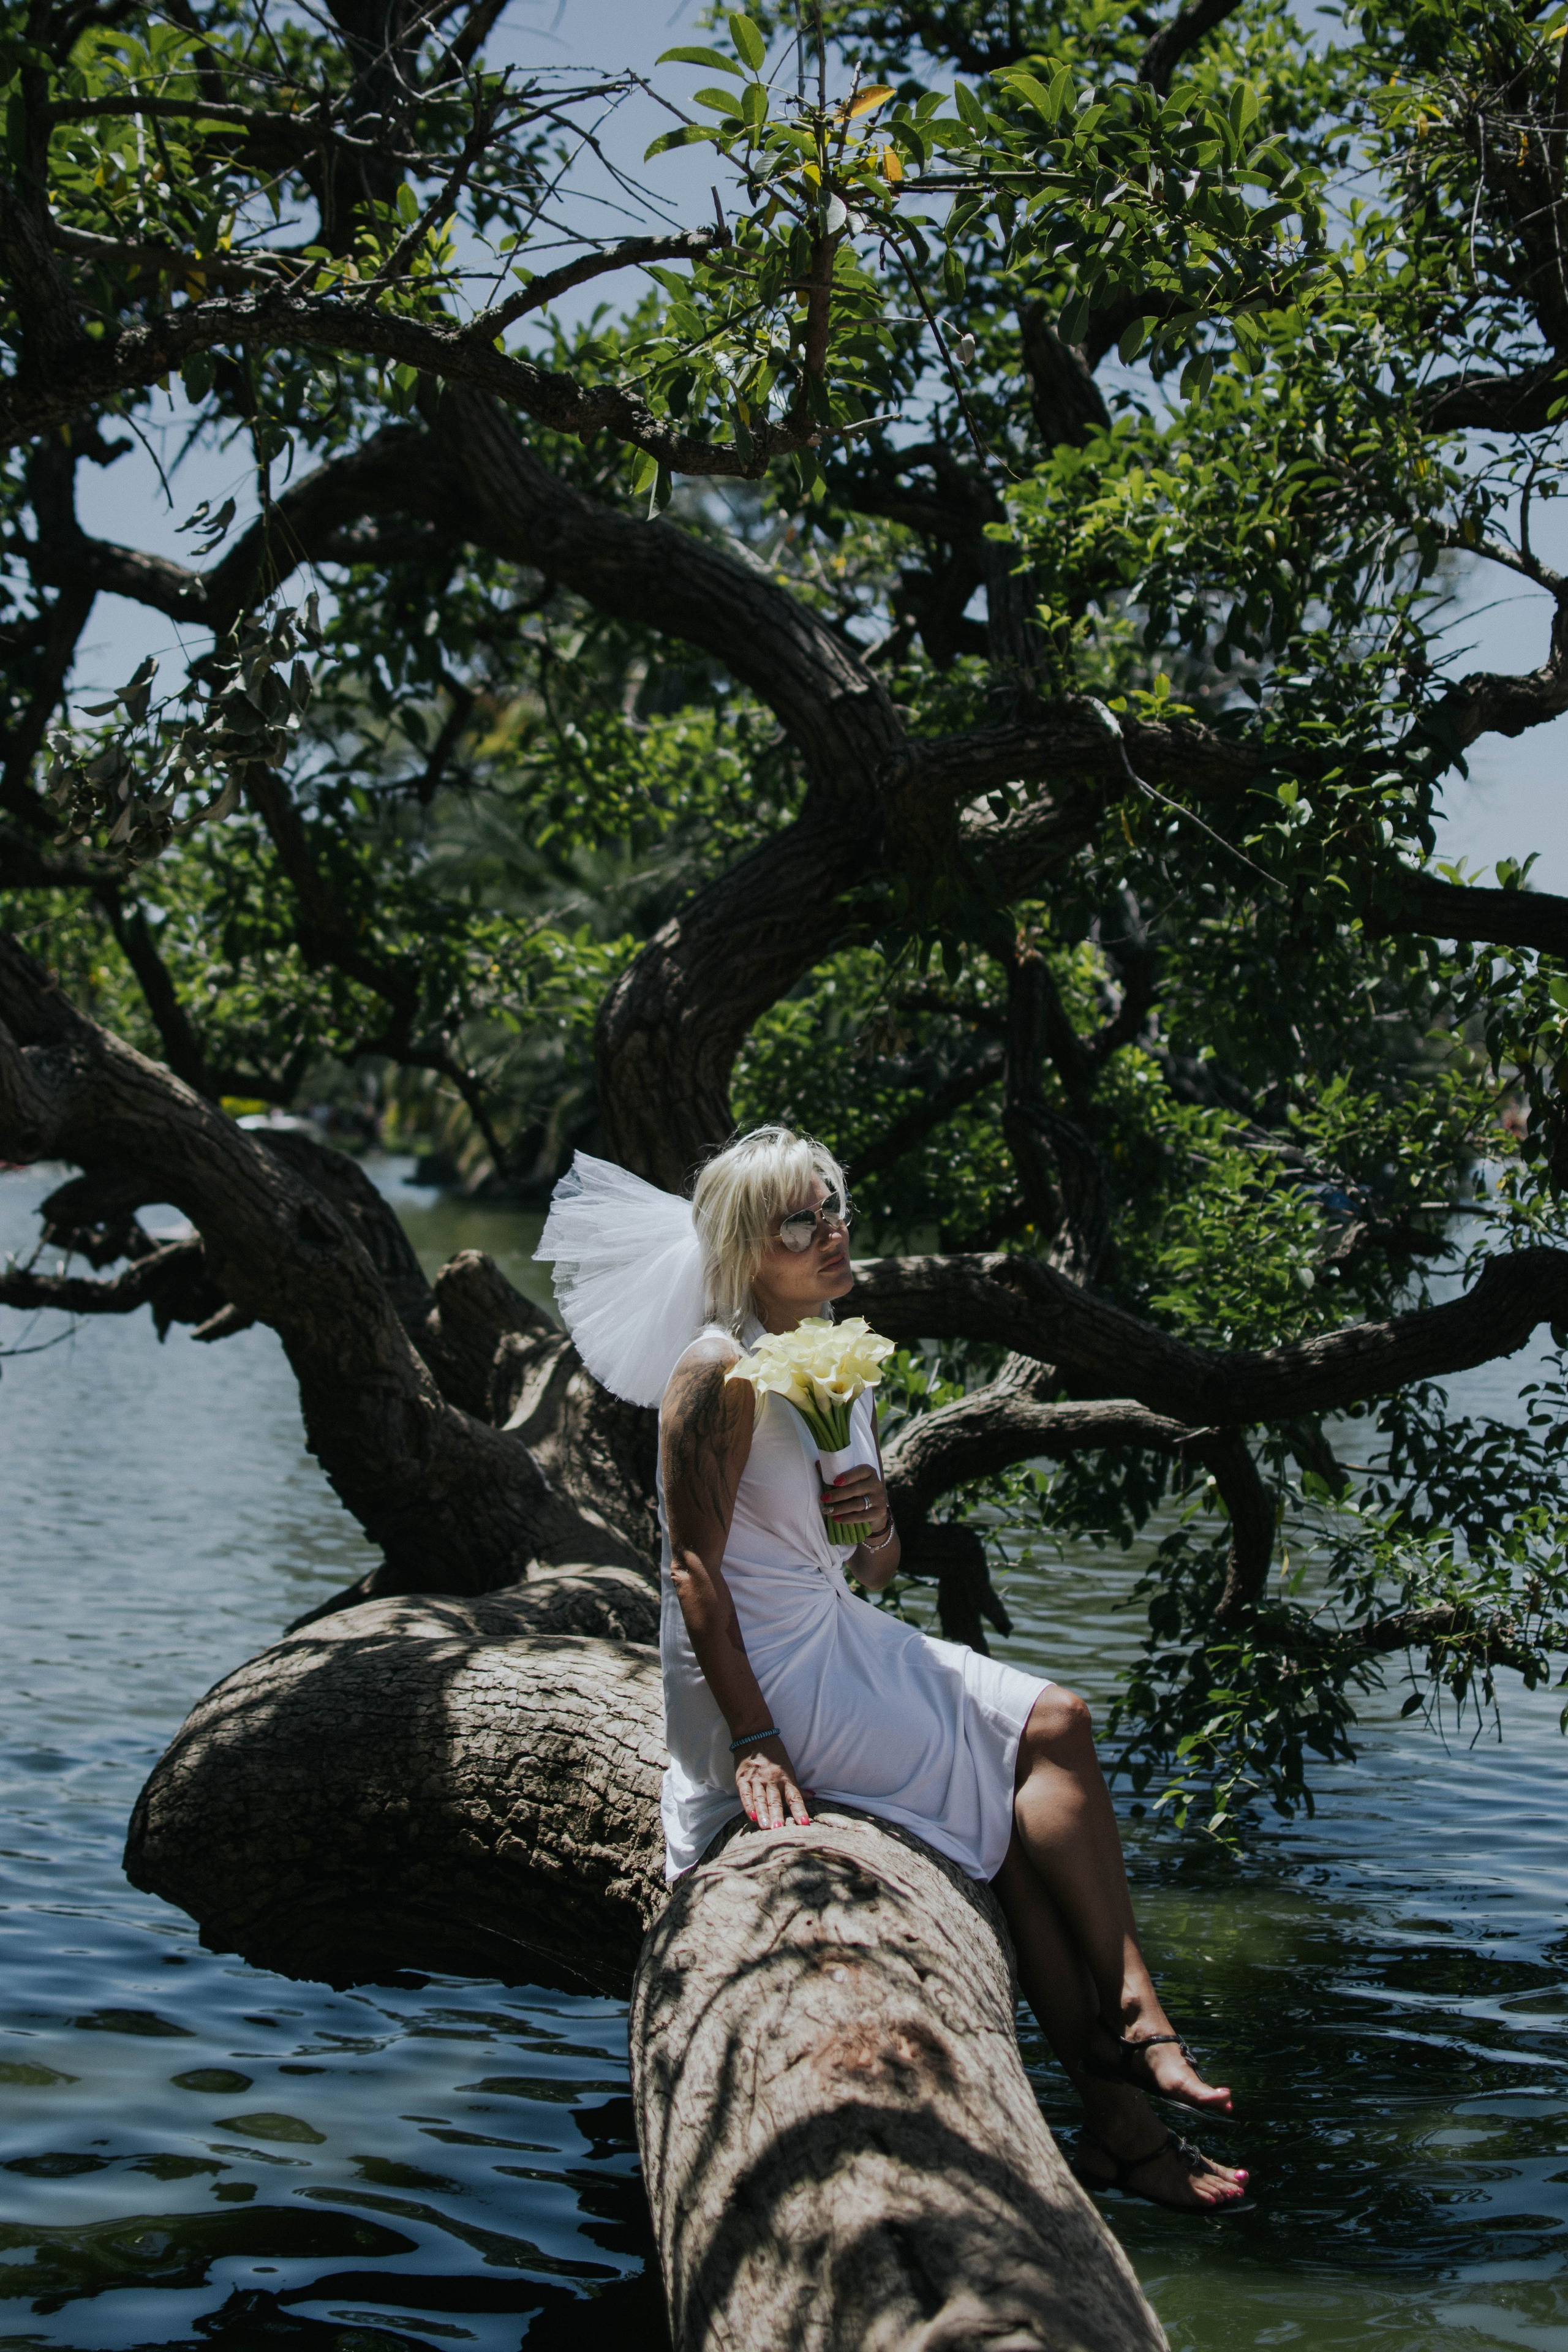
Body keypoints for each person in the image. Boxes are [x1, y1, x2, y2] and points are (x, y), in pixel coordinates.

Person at [536, 1125, 1248, 2214]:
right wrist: (756, 1738)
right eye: (800, 1222)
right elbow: (688, 1573)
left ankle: (1129, 2069)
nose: (832, 1234)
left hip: (838, 1635)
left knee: (1057, 1722)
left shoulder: (834, 1353)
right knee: (1003, 1786)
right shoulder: (716, 1369)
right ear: (741, 1246)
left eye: (836, 1212)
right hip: (758, 1670)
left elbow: (873, 1565)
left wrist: (872, 1526)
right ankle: (1128, 2092)